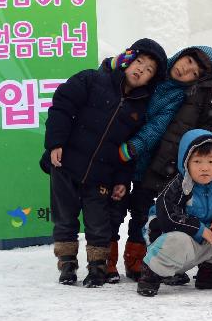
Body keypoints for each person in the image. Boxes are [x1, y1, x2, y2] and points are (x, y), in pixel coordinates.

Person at [41, 38, 166, 287]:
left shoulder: (139, 108)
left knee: (99, 224)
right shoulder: (92, 79)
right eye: (139, 62)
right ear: (127, 60)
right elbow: (62, 107)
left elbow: (128, 151)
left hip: (101, 175)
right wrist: (56, 143)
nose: (141, 70)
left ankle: (97, 268)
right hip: (65, 164)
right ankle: (67, 265)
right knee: (64, 218)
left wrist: (121, 180)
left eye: (149, 70)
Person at [106, 45, 212, 283]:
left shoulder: (179, 96)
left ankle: (136, 259)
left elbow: (158, 126)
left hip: (142, 156)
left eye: (195, 73)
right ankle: (106, 260)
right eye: (188, 60)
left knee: (140, 212)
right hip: (114, 146)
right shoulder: (153, 72)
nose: (186, 70)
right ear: (181, 54)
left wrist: (135, 146)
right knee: (112, 207)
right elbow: (114, 78)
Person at [136, 130, 212, 296]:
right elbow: (168, 217)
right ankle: (151, 275)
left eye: (211, 161)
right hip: (172, 246)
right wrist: (198, 229)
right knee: (178, 239)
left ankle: (209, 273)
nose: (205, 168)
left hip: (203, 244)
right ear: (185, 163)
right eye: (197, 161)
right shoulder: (179, 187)